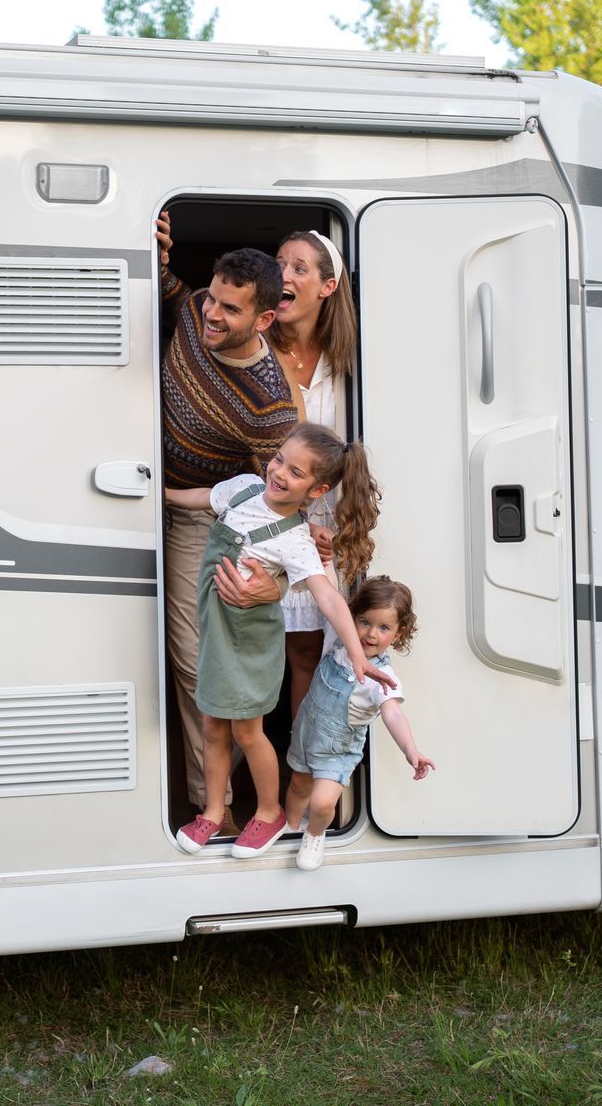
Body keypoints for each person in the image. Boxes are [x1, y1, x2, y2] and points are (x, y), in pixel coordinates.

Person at [163, 423, 392, 858]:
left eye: (297, 472)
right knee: (212, 724)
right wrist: (162, 495)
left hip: (249, 643)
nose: (281, 473)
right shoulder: (244, 490)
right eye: (280, 459)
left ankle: (268, 812)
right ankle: (213, 812)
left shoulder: (295, 539)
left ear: (317, 489)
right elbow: (203, 498)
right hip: (216, 630)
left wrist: (358, 656)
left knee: (247, 732)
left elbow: (328, 596)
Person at [156, 212, 298, 821]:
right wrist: (159, 261)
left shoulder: (270, 406)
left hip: (202, 524)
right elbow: (171, 297)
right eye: (213, 299)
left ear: (264, 319)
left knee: (198, 667)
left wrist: (280, 578)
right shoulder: (195, 312)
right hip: (136, 497)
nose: (213, 316)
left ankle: (212, 808)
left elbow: (283, 505)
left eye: (230, 311)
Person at [267, 230, 368, 717]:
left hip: (331, 525)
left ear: (327, 288)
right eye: (279, 264)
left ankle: (305, 779)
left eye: (298, 268)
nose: (283, 275)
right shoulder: (259, 350)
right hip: (276, 518)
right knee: (271, 654)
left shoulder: (346, 360)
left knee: (314, 653)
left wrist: (338, 526)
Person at [285, 576, 434, 871]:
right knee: (298, 786)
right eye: (365, 622)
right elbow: (329, 588)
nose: (371, 634)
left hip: (337, 750)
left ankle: (315, 834)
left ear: (398, 632)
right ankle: (289, 826)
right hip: (306, 734)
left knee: (323, 803)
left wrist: (411, 750)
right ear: (352, 617)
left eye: (384, 628)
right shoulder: (341, 643)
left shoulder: (383, 677)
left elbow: (392, 713)